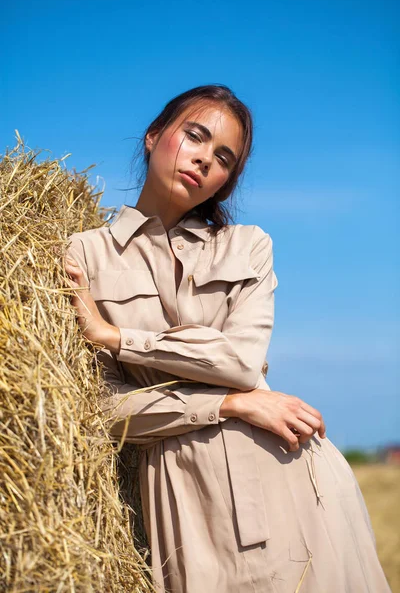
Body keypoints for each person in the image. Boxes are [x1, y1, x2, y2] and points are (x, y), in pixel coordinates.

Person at [65, 85, 391, 593]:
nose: (203, 160)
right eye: (194, 136)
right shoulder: (83, 255)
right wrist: (232, 406)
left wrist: (115, 336)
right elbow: (97, 408)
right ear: (153, 137)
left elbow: (240, 360)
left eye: (223, 159)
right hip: (184, 501)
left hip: (287, 468)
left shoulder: (249, 246)